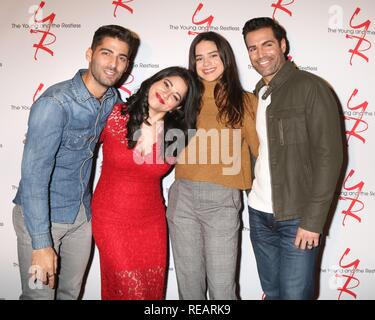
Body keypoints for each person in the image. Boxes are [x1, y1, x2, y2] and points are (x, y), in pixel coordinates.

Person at [12, 25, 140, 300]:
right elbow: (34, 177)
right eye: (107, 53)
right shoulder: (56, 103)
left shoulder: (110, 100)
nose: (114, 64)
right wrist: (41, 243)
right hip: (41, 218)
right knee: (38, 296)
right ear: (90, 54)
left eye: (122, 57)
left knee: (70, 294)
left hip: (81, 218)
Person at [242, 17, 343, 300]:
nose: (260, 54)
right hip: (259, 215)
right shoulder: (255, 96)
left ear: (282, 45)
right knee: (272, 293)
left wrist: (313, 220)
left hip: (297, 217)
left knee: (295, 295)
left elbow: (329, 157)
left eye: (267, 45)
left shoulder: (312, 88)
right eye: (252, 48)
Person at [91, 66, 202, 300]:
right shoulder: (114, 113)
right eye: (167, 85)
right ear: (155, 80)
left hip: (151, 224)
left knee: (151, 295)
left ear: (179, 106)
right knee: (132, 291)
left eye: (176, 96)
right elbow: (79, 143)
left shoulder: (177, 135)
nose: (166, 95)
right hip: (111, 220)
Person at [167, 32, 259, 300]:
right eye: (199, 58)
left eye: (213, 56)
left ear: (225, 59)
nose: (206, 63)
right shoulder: (182, 101)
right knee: (190, 290)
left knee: (222, 290)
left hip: (222, 200)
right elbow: (168, 150)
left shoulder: (245, 101)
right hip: (182, 198)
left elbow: (260, 153)